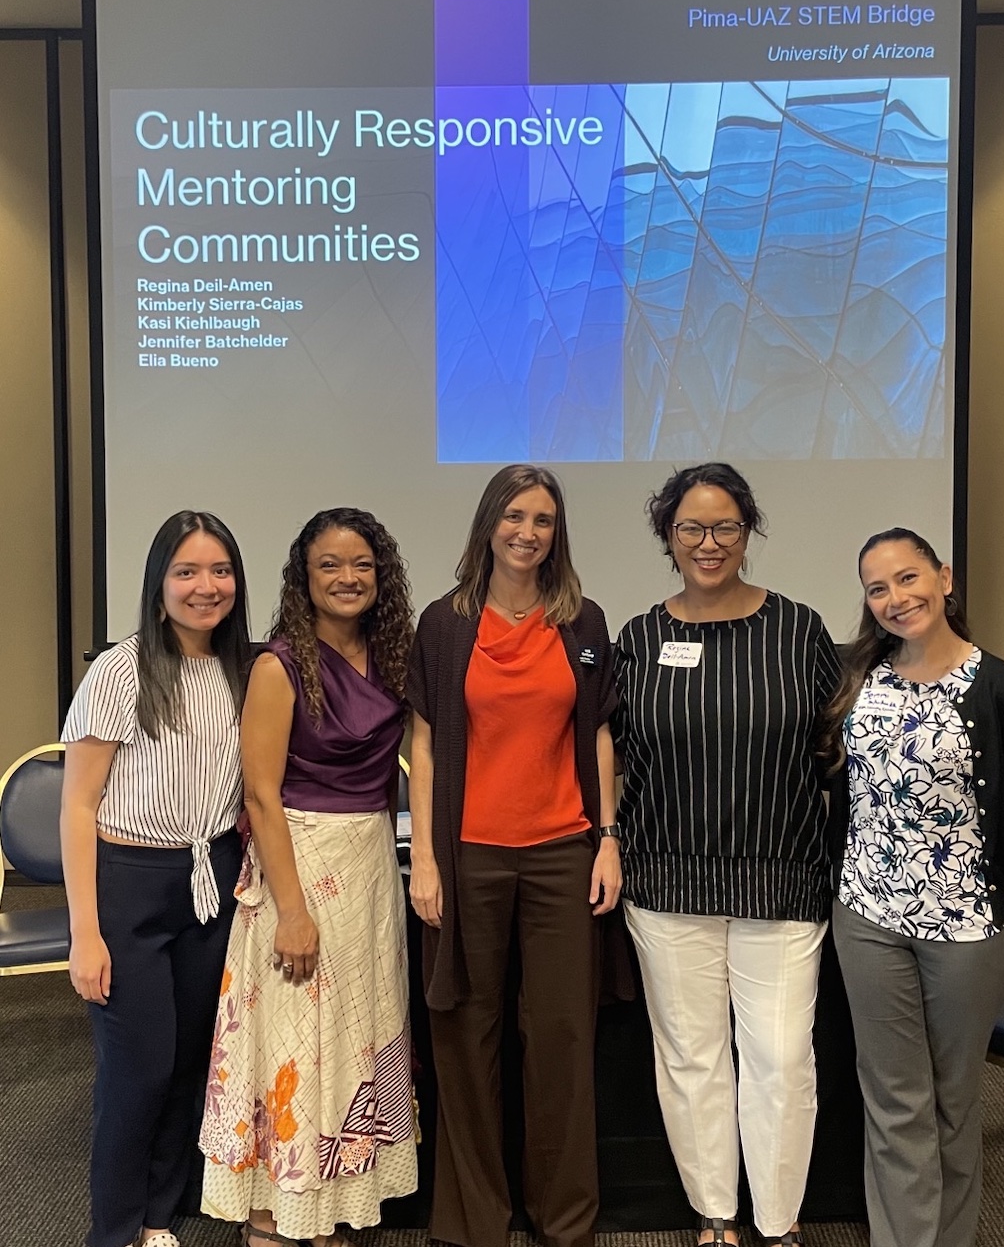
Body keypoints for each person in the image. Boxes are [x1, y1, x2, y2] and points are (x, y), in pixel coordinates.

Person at [611, 463, 840, 1247]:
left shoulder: (801, 628)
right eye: (691, 529)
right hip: (667, 875)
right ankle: (716, 1214)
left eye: (725, 528)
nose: (709, 544)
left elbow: (830, 749)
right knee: (691, 1059)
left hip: (780, 874)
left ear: (748, 534)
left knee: (780, 1061)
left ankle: (778, 1222)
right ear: (667, 538)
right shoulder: (640, 638)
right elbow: (617, 757)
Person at [821, 527, 1004, 1247]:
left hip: (968, 931)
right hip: (867, 918)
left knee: (954, 1102)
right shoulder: (861, 679)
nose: (895, 598)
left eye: (907, 578)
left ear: (944, 577)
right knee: (895, 1102)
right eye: (877, 588)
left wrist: (975, 843)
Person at [406, 463, 621, 1247]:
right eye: (516, 516)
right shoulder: (445, 622)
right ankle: (475, 1223)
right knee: (467, 1036)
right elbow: (423, 744)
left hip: (564, 853)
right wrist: (425, 859)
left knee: (562, 1037)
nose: (528, 532)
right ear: (488, 522)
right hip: (468, 859)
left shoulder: (583, 621)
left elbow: (596, 734)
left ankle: (565, 1221)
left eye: (543, 520)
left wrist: (607, 839)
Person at [199, 508, 418, 1247]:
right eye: (330, 564)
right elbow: (260, 794)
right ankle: (272, 1210)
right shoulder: (279, 664)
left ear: (380, 575)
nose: (348, 578)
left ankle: (327, 1204)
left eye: (362, 564)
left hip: (368, 875)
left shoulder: (390, 656)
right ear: (304, 576)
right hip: (299, 867)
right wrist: (291, 912)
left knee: (355, 1038)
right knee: (294, 1039)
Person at [61, 511, 251, 1247]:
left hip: (213, 881)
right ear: (158, 583)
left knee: (189, 1064)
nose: (206, 587)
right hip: (128, 884)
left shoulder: (244, 668)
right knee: (136, 1072)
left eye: (220, 571)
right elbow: (77, 805)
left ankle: (156, 1219)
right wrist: (85, 932)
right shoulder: (120, 668)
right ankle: (112, 1231)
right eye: (187, 572)